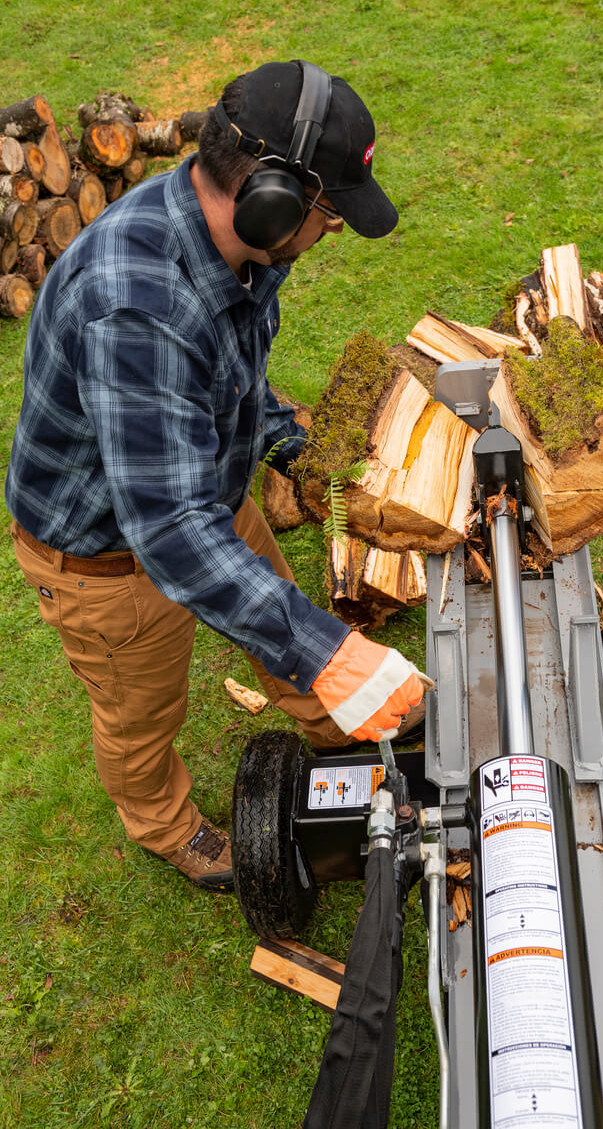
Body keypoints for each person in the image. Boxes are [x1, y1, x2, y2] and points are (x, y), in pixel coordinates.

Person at [4, 59, 429, 893]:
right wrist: (333, 651)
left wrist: (289, 443)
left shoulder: (239, 244)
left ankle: (340, 725)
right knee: (140, 716)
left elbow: (226, 367)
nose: (334, 229)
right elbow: (168, 533)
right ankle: (168, 829)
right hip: (107, 558)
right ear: (271, 195)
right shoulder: (134, 304)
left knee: (280, 616)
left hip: (203, 493)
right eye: (330, 212)